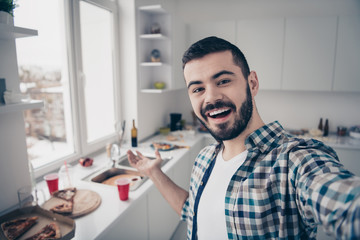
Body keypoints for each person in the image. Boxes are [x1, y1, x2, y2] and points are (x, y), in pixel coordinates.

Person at [127, 36, 360, 239]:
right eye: (198, 89)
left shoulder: (293, 161)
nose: (211, 97)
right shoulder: (204, 159)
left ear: (252, 83)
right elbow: (192, 212)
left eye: (223, 81)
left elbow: (345, 202)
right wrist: (153, 172)